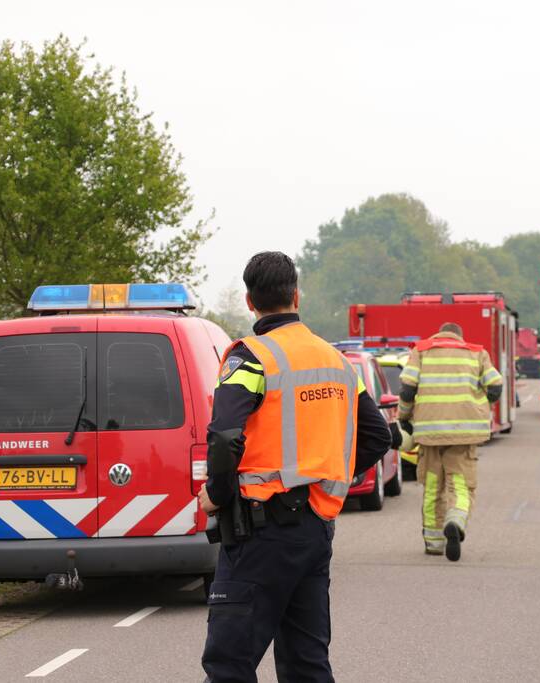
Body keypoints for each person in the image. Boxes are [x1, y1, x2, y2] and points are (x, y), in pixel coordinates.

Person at [198, 251, 394, 683]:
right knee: (306, 664)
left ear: (250, 301)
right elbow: (379, 437)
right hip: (315, 528)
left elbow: (226, 436)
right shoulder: (337, 361)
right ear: (296, 296)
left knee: (229, 664)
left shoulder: (248, 358)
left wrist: (217, 494)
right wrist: (329, 476)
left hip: (258, 531)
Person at [397, 322, 503, 561]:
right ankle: (455, 520)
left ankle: (434, 543)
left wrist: (403, 417)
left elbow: (407, 390)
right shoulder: (477, 352)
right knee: (460, 485)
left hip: (428, 433)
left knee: (433, 487)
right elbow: (495, 386)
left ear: (438, 334)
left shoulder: (421, 350)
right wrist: (480, 405)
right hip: (464, 434)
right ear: (459, 337)